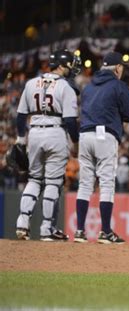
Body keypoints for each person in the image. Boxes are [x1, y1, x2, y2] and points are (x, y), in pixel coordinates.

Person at [15, 49, 81, 241]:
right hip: (56, 132)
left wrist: (21, 139)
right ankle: (47, 228)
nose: (72, 67)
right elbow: (70, 121)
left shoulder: (31, 83)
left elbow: (20, 117)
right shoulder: (66, 87)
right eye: (70, 63)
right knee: (53, 182)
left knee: (34, 179)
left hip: (34, 132)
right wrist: (75, 143)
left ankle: (22, 223)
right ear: (61, 65)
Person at [74, 52, 129, 244]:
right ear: (117, 68)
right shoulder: (118, 85)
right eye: (122, 68)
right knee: (107, 183)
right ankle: (106, 231)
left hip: (84, 135)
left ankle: (79, 231)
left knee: (85, 184)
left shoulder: (88, 86)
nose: (122, 70)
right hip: (105, 135)